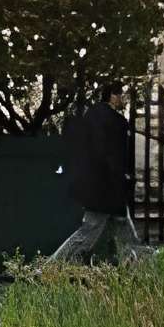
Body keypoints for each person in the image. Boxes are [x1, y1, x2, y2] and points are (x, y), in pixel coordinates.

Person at [48, 79, 138, 263]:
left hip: (97, 184)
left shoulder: (93, 116)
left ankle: (134, 266)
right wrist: (121, 178)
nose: (125, 99)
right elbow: (110, 155)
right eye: (122, 95)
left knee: (121, 228)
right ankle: (54, 265)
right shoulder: (113, 121)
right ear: (113, 96)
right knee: (91, 229)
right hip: (106, 186)